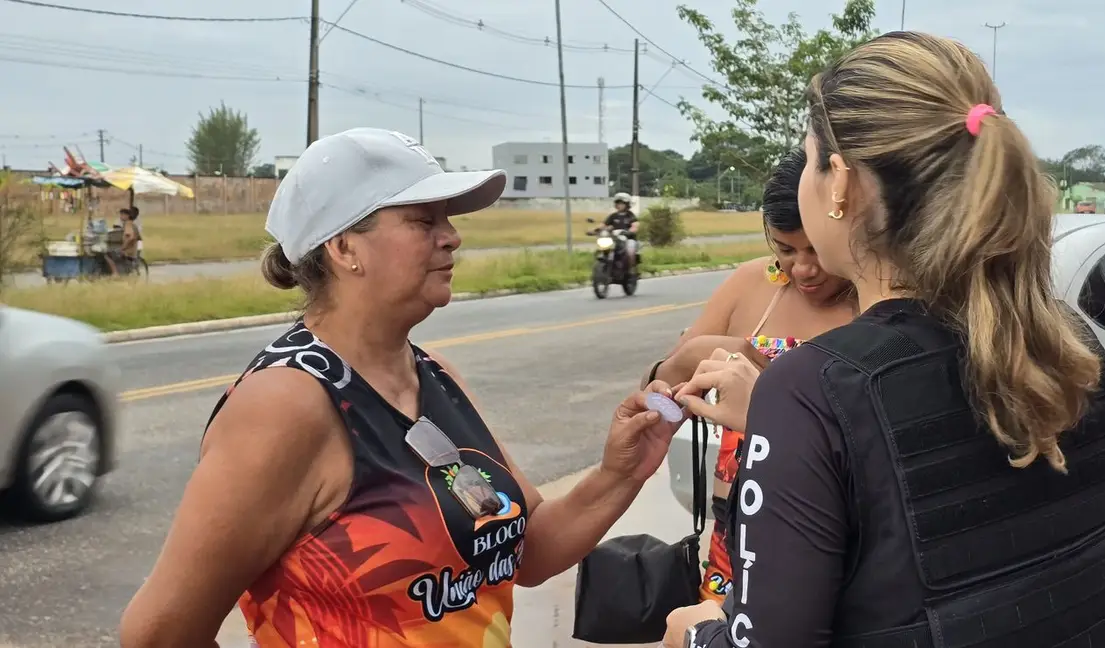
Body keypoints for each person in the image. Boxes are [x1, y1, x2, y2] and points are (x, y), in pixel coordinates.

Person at [660, 31, 1105, 648]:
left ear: (840, 183)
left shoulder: (815, 389)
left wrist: (693, 633)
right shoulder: (1070, 346)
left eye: (809, 160)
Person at [118, 128, 683, 648]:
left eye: (447, 220)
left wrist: (620, 473)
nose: (452, 237)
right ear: (344, 248)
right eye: (423, 221)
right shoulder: (286, 404)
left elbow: (528, 548)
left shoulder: (435, 376)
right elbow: (159, 634)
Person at [644, 147, 857, 604]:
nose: (803, 269)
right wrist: (685, 362)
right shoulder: (749, 284)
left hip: (835, 524)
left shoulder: (875, 299)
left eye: (816, 249)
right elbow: (658, 398)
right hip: (735, 526)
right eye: (785, 249)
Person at [604, 191, 641, 267]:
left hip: (628, 239)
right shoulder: (613, 216)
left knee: (630, 252)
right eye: (618, 203)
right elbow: (604, 225)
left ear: (627, 205)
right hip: (614, 239)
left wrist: (630, 231)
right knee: (603, 249)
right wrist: (596, 230)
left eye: (622, 203)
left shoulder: (630, 215)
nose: (619, 205)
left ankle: (632, 269)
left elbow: (635, 225)